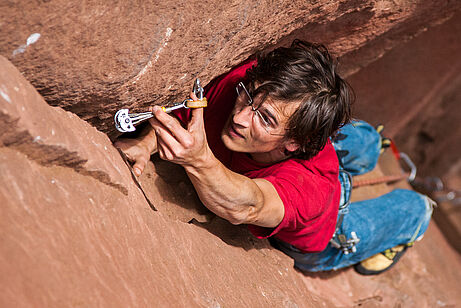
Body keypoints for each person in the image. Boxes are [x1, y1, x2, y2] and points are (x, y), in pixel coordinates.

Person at [115, 40, 433, 275]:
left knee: (409, 207)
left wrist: (199, 161)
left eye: (265, 119)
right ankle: (371, 143)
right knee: (357, 138)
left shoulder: (308, 188)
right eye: (248, 94)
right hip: (307, 149)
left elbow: (249, 204)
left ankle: (416, 216)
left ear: (294, 143)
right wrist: (146, 142)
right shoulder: (252, 88)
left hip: (325, 224)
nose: (239, 116)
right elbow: (188, 116)